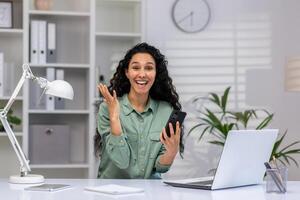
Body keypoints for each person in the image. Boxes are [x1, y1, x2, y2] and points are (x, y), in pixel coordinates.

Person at [94, 42, 183, 179]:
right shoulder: (107, 108)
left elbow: (160, 168)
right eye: (136, 67)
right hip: (112, 191)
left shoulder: (166, 111)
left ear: (155, 73)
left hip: (150, 192)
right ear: (127, 72)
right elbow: (121, 161)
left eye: (149, 68)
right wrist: (114, 117)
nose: (142, 74)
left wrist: (171, 152)